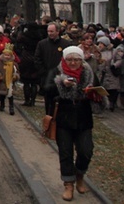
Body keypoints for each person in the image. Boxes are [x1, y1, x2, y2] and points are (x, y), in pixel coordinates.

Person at [45, 46, 95, 201]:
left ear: (82, 60)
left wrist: (93, 92)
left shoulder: (88, 72)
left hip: (83, 117)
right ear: (64, 60)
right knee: (65, 152)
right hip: (63, 117)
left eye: (77, 60)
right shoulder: (57, 72)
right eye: (70, 60)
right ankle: (68, 184)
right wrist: (61, 85)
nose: (73, 63)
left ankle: (80, 175)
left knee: (86, 150)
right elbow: (46, 89)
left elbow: (99, 90)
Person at [35, 23, 69, 116]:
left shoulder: (65, 44)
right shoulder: (42, 44)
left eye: (52, 31)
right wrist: (44, 73)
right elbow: (37, 59)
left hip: (61, 79)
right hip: (47, 79)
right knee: (49, 103)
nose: (50, 33)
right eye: (48, 31)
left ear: (58, 31)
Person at [0, 44, 19, 115]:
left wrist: (15, 76)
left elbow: (16, 72)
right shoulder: (0, 63)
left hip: (10, 82)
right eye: (5, 55)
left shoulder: (14, 64)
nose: (7, 57)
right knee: (2, 95)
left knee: (10, 95)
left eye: (8, 55)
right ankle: (2, 105)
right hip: (2, 82)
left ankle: (11, 107)